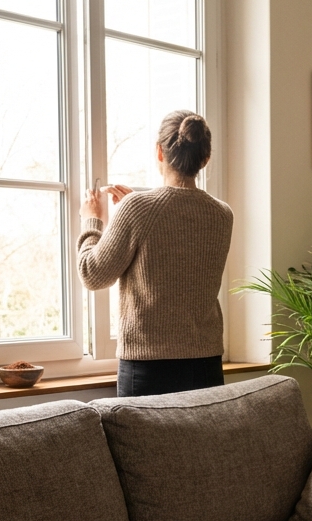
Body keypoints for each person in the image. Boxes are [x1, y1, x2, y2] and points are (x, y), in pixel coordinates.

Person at [78, 110, 233, 397]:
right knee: (203, 444)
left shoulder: (137, 208)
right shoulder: (223, 215)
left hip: (149, 369)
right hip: (206, 365)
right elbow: (179, 248)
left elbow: (92, 274)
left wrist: (93, 220)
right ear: (205, 158)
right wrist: (133, 210)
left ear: (159, 152)